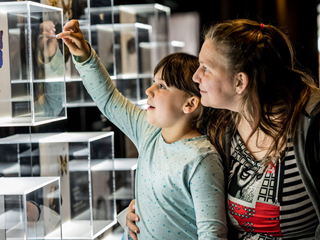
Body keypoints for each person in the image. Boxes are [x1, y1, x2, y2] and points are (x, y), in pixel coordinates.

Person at [126, 19, 320, 239]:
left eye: (206, 69)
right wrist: (141, 210)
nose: (195, 76)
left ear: (240, 82)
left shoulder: (313, 125)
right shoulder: (216, 122)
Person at [57, 20, 228, 239]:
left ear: (190, 104)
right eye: (153, 82)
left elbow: (212, 234)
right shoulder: (149, 132)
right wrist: (84, 56)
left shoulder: (201, 160)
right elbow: (108, 99)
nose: (149, 90)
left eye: (162, 86)